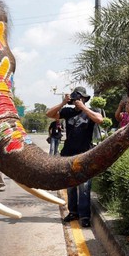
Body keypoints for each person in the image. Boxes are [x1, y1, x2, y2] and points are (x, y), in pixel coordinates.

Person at [46, 86, 103, 228]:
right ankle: (73, 212)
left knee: (84, 186)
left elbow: (99, 120)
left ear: (84, 99)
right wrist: (63, 103)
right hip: (68, 154)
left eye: (80, 98)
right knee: (71, 185)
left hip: (85, 155)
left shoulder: (92, 111)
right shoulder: (68, 112)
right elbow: (49, 114)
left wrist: (83, 108)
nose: (77, 100)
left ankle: (84, 216)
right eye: (75, 98)